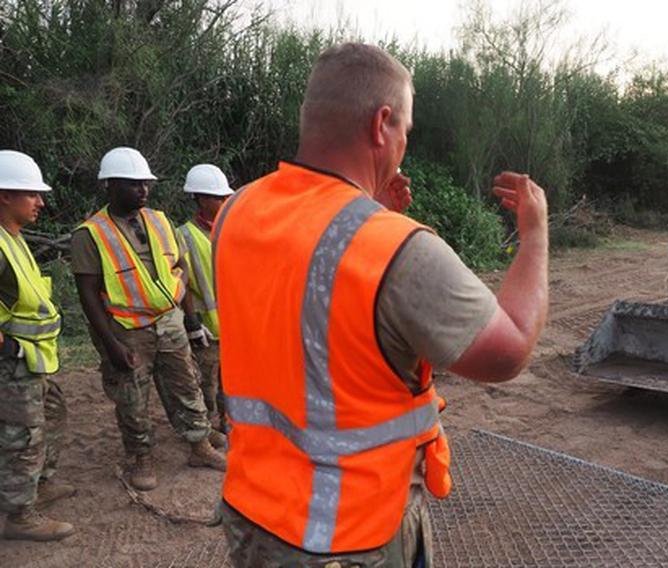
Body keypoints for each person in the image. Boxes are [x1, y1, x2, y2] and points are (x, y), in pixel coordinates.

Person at [215, 43, 549, 567]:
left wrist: (367, 212)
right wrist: (534, 235)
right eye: (406, 133)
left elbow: (305, 320)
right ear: (381, 124)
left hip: (253, 514)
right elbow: (508, 351)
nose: (403, 147)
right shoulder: (394, 247)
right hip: (346, 536)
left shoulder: (237, 211)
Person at [71, 147, 226, 492]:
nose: (143, 190)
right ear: (111, 186)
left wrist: (188, 317)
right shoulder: (91, 234)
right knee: (132, 397)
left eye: (146, 184)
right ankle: (140, 456)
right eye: (134, 184)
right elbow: (88, 294)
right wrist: (110, 345)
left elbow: (179, 266)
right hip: (127, 330)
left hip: (168, 322)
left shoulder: (158, 220)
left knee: (186, 385)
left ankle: (198, 445)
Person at [0, 150, 75, 541]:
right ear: (4, 196)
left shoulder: (13, 238)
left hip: (36, 361)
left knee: (53, 416)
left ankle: (40, 485)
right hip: (13, 365)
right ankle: (19, 515)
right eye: (31, 194)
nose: (41, 202)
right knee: (22, 437)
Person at [177, 164, 233, 431]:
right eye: (218, 198)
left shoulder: (233, 228)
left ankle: (225, 421)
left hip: (235, 327)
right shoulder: (185, 235)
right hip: (208, 330)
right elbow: (183, 283)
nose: (224, 202)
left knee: (231, 383)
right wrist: (192, 323)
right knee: (206, 383)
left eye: (225, 197)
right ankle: (206, 429)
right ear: (200, 198)